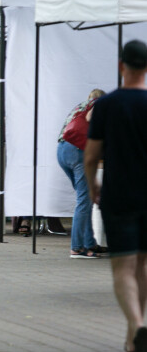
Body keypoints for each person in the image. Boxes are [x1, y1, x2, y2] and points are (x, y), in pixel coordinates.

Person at [85, 40, 147, 352]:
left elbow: (91, 155)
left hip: (119, 194)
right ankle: (133, 338)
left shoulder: (107, 105)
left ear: (122, 65)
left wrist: (93, 185)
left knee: (122, 266)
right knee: (143, 265)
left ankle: (137, 327)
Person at [57, 88, 106, 258]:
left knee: (84, 198)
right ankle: (77, 248)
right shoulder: (98, 104)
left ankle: (89, 244)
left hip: (62, 150)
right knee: (84, 201)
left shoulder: (80, 106)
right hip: (77, 151)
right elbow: (91, 119)